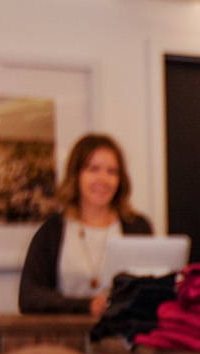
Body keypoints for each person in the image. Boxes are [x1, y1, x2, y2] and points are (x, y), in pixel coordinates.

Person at [19, 133, 151, 315]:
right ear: (76, 175)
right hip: (65, 337)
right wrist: (87, 305)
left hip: (125, 336)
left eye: (112, 171)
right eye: (93, 169)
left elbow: (153, 291)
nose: (103, 179)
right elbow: (29, 297)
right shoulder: (53, 229)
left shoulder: (137, 227)